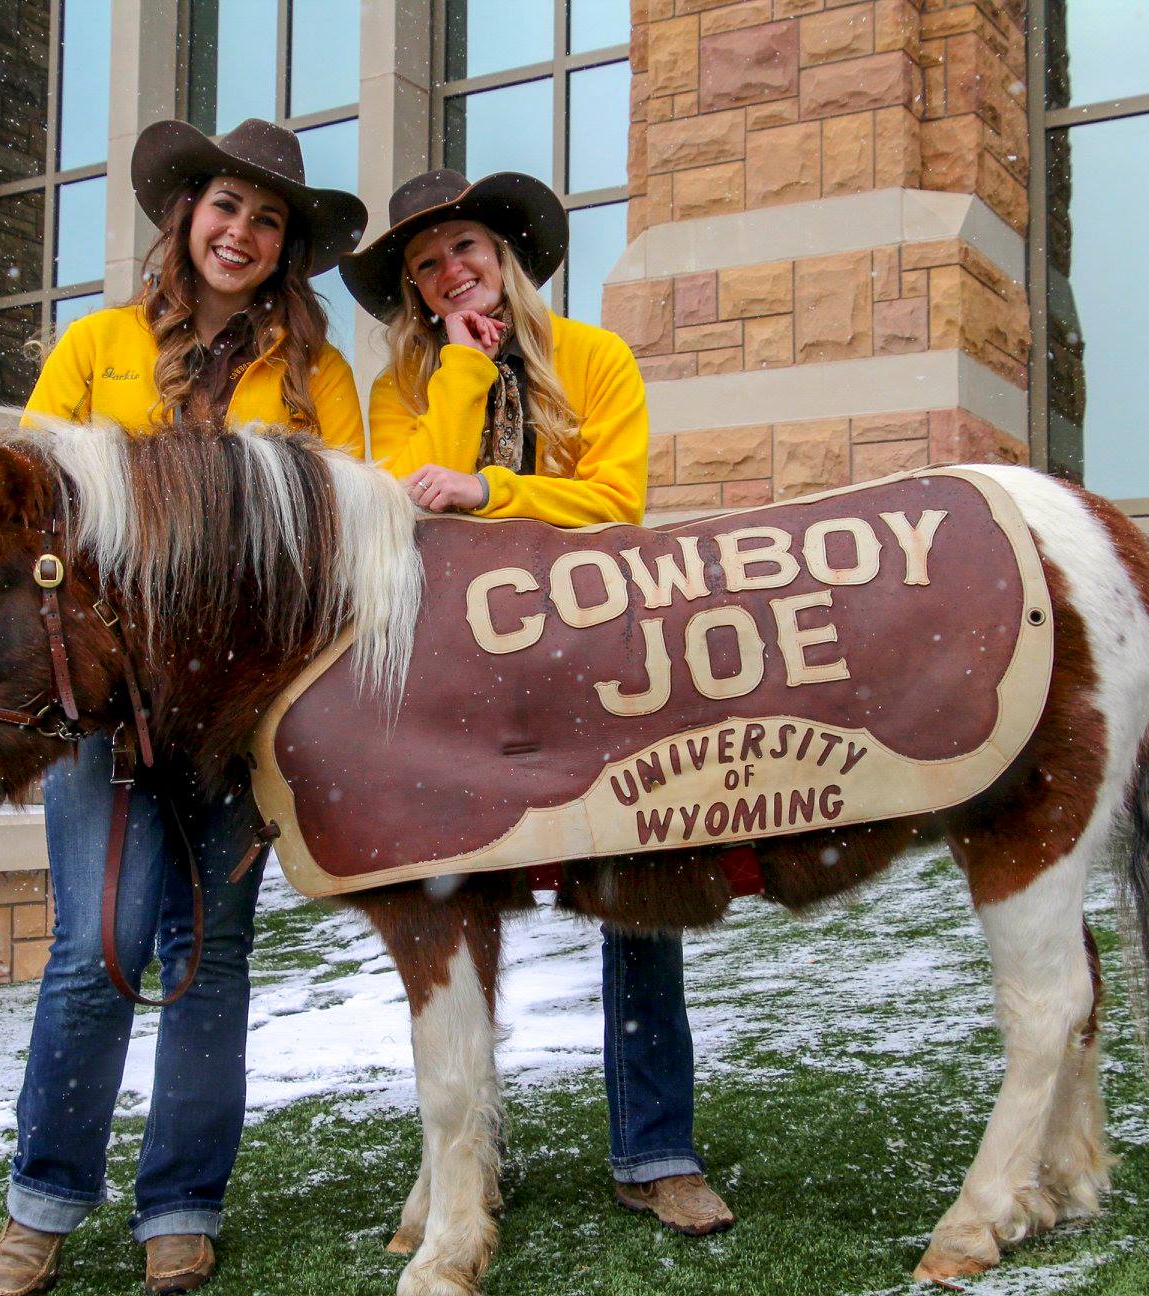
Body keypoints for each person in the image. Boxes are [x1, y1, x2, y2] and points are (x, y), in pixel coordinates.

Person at [0, 118, 366, 1296]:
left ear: (287, 246)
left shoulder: (319, 378)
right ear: (184, 217)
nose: (240, 234)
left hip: (238, 717)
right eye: (224, 208)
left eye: (266, 219)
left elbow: (343, 538)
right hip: (105, 714)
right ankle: (45, 1200)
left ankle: (183, 1202)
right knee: (95, 952)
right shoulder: (96, 344)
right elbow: (29, 504)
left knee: (211, 957)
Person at [339, 168, 736, 1236]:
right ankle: (458, 1164)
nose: (448, 272)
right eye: (425, 266)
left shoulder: (596, 360)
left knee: (637, 897)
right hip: (458, 681)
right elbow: (401, 506)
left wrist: (493, 492)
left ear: (504, 255)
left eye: (463, 248)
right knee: (449, 911)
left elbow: (616, 504)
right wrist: (461, 380)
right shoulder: (403, 391)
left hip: (593, 666)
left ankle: (656, 1151)